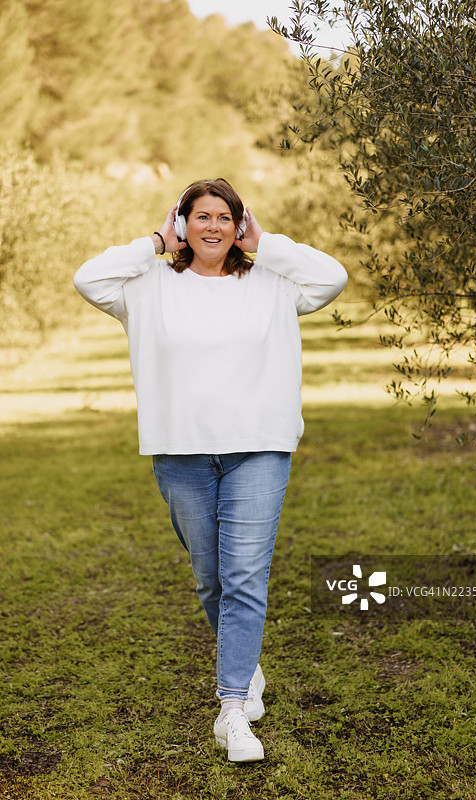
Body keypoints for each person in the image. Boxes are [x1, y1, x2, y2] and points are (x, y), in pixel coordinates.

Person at [73, 178, 347, 762]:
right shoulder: (148, 287)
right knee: (211, 579)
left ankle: (233, 710)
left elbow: (333, 278)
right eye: (201, 217)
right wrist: (152, 242)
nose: (214, 227)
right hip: (181, 450)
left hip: (260, 447)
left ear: (240, 225)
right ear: (182, 224)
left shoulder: (272, 283)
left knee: (245, 576)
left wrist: (269, 243)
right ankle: (245, 668)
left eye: (226, 217)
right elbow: (88, 279)